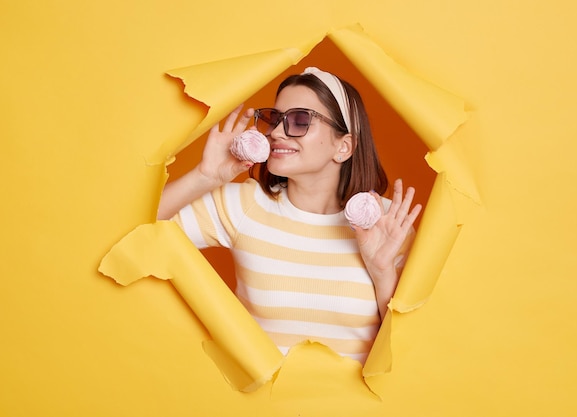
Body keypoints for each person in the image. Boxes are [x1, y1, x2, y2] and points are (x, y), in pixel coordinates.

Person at [158, 67, 422, 364]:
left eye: (299, 120)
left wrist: (381, 271)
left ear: (343, 146)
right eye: (275, 119)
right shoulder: (243, 205)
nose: (276, 133)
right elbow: (139, 231)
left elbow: (408, 349)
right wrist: (204, 177)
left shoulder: (386, 224)